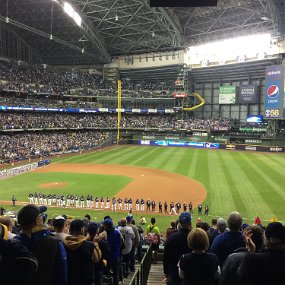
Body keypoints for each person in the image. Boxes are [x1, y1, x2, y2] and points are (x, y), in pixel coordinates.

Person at [16, 204, 67, 285]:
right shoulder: (53, 242)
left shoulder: (13, 242)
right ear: (37, 221)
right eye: (41, 215)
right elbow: (61, 275)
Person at [64, 219, 101, 285]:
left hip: (69, 279)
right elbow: (97, 259)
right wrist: (95, 243)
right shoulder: (90, 245)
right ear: (82, 230)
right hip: (85, 280)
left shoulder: (62, 244)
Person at [163, 212, 192, 285]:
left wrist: (166, 272)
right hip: (191, 275)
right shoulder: (194, 237)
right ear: (190, 223)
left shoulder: (171, 237)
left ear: (179, 223)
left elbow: (166, 256)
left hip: (174, 274)